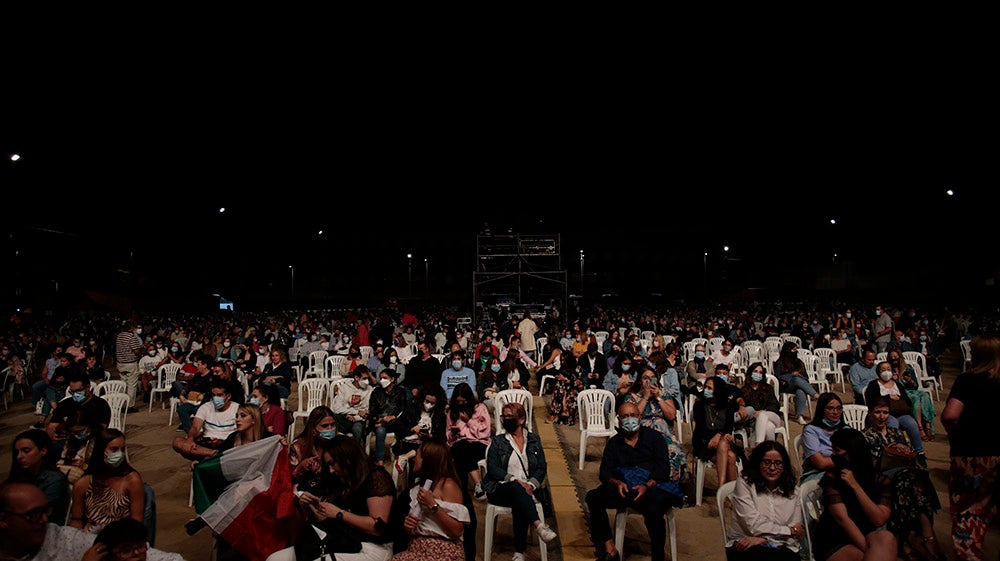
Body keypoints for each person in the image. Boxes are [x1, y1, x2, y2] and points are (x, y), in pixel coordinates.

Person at [585, 401, 679, 561]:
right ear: (619, 420)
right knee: (593, 497)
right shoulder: (614, 443)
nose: (630, 420)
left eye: (633, 416)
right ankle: (610, 549)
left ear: (640, 417)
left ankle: (658, 556)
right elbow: (604, 472)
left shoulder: (654, 438)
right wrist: (616, 483)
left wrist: (647, 486)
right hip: (624, 487)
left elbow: (663, 470)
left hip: (650, 487)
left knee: (654, 510)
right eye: (625, 417)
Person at [0, 481, 185, 561]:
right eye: (32, 514)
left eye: (45, 511)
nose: (43, 520)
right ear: (4, 519)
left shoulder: (63, 539)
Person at [280, 435, 396, 561]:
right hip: (342, 540)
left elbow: (377, 527)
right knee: (275, 559)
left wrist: (339, 514)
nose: (330, 470)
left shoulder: (376, 478)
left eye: (332, 464)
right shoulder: (340, 480)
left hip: (373, 546)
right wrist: (311, 508)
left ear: (346, 458)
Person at [940, 333, 1000, 561]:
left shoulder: (967, 380)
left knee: (968, 513)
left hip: (971, 454)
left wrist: (955, 434)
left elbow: (950, 415)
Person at [862, 397, 944, 561]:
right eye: (877, 412)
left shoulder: (896, 433)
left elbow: (910, 457)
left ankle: (909, 538)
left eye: (885, 413)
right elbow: (866, 465)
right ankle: (926, 534)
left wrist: (905, 450)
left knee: (914, 478)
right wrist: (888, 450)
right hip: (879, 477)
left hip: (903, 477)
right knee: (909, 480)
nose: (881, 416)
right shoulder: (865, 436)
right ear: (870, 413)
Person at [481, 401, 558, 558]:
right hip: (500, 488)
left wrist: (531, 484)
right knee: (517, 488)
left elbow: (541, 467)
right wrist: (514, 479)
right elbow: (493, 467)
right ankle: (539, 526)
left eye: (510, 416)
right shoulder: (498, 441)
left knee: (520, 497)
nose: (505, 419)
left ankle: (519, 552)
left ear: (521, 419)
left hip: (527, 489)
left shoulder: (534, 440)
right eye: (504, 416)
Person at [811, 427, 897, 561]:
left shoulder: (879, 480)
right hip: (835, 537)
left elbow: (879, 519)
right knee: (866, 556)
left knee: (887, 538)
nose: (833, 455)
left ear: (852, 453)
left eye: (837, 450)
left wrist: (855, 486)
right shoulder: (832, 478)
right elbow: (842, 519)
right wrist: (869, 550)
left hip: (867, 532)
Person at [390, 439, 470, 561]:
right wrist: (408, 525)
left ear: (428, 461)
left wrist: (432, 504)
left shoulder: (447, 485)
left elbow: (456, 531)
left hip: (443, 550)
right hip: (417, 547)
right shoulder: (416, 488)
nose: (414, 459)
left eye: (417, 456)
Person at [725, 440, 804, 561]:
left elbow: (796, 533)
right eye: (767, 462)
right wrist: (788, 531)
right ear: (758, 463)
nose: (772, 468)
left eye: (778, 463)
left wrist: (765, 539)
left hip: (781, 545)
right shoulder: (745, 483)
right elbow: (754, 525)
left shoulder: (794, 491)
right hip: (745, 543)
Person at [69, 428, 144, 533]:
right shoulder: (83, 484)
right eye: (114, 449)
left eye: (122, 449)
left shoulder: (132, 480)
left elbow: (137, 520)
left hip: (122, 536)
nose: (120, 454)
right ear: (101, 451)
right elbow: (77, 520)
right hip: (90, 537)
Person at [863, 361, 927, 469]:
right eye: (883, 369)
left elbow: (907, 400)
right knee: (893, 423)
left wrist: (900, 399)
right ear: (878, 372)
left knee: (911, 424)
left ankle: (920, 453)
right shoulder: (873, 385)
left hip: (901, 412)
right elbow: (871, 400)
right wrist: (888, 397)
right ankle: (892, 452)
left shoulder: (897, 384)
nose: (886, 372)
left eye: (888, 369)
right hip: (887, 413)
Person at [5, 429, 69, 526]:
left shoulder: (54, 480)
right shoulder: (19, 476)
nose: (19, 456)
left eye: (26, 451)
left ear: (43, 451)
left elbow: (42, 515)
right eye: (17, 452)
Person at [691, 376, 742, 490]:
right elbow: (701, 429)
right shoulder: (699, 406)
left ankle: (722, 487)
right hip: (704, 442)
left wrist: (718, 435)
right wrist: (717, 436)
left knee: (726, 448)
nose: (706, 390)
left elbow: (728, 429)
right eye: (706, 387)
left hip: (722, 441)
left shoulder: (727, 407)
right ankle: (731, 492)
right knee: (731, 457)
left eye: (710, 388)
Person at [170, 379, 239, 462]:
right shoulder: (206, 407)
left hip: (227, 443)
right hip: (207, 443)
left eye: (220, 395)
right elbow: (195, 427)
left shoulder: (237, 409)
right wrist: (190, 438)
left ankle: (207, 457)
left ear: (228, 396)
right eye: (214, 395)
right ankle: (214, 454)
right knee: (177, 442)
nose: (216, 398)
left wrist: (221, 441)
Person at [47, 373, 112, 458]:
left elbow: (101, 429)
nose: (75, 394)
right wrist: (52, 433)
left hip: (89, 440)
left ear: (88, 387)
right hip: (65, 440)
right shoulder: (65, 404)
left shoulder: (100, 405)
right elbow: (51, 426)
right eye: (72, 391)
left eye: (78, 391)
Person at [446, 383, 491, 500]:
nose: (461, 404)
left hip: (479, 443)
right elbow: (448, 434)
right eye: (458, 402)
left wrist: (469, 421)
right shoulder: (451, 411)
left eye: (464, 401)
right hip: (459, 442)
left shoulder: (480, 408)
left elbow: (485, 432)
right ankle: (478, 484)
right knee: (461, 448)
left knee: (463, 453)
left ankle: (462, 492)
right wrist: (453, 433)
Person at [393, 385, 448, 478]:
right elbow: (397, 427)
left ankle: (406, 457)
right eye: (427, 401)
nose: (429, 405)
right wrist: (412, 429)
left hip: (427, 445)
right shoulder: (411, 409)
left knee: (426, 456)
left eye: (432, 403)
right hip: (408, 443)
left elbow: (442, 438)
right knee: (417, 459)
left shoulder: (440, 416)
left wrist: (430, 436)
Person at [887, 349, 936, 441]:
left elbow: (916, 386)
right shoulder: (888, 369)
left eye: (896, 357)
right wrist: (894, 379)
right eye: (892, 357)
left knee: (925, 396)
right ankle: (920, 428)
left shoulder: (908, 368)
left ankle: (928, 427)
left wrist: (910, 380)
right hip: (900, 392)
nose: (894, 359)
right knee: (915, 398)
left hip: (911, 390)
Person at [801, 392, 848, 482]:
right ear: (822, 410)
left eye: (839, 408)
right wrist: (846, 459)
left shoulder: (846, 430)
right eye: (830, 408)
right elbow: (821, 463)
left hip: (844, 473)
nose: (835, 412)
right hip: (817, 474)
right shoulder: (811, 430)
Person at [368, 368, 410, 468]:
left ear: (392, 379)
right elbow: (372, 409)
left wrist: (393, 416)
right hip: (379, 420)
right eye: (381, 378)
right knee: (380, 431)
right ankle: (380, 461)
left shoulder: (400, 392)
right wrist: (381, 419)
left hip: (395, 421)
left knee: (397, 424)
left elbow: (403, 409)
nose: (382, 380)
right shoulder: (376, 392)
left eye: (384, 378)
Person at [735, 361, 783, 446]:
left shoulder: (768, 388)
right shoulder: (743, 390)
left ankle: (758, 445)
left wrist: (762, 411)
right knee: (769, 427)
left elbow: (775, 406)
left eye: (760, 372)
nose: (758, 374)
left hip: (772, 416)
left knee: (762, 415)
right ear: (750, 373)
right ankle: (768, 450)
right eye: (755, 371)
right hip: (755, 421)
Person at [289, 405, 338, 485]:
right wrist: (301, 467)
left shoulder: (341, 442)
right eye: (325, 426)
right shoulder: (298, 446)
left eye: (333, 425)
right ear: (313, 429)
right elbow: (288, 478)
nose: (330, 429)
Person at [773, 341, 817, 425]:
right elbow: (777, 376)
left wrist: (800, 376)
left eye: (796, 349)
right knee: (796, 379)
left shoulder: (799, 362)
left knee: (800, 390)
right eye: (794, 349)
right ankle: (815, 395)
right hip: (785, 385)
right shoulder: (780, 362)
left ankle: (800, 416)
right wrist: (791, 375)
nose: (795, 351)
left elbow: (806, 377)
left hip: (799, 384)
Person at [332, 365, 374, 446]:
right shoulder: (344, 388)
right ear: (356, 378)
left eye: (368, 379)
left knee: (357, 428)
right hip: (344, 417)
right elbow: (337, 408)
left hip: (359, 419)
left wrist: (356, 416)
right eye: (364, 378)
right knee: (331, 420)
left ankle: (357, 452)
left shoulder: (370, 389)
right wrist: (354, 412)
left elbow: (367, 410)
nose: (367, 381)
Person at [544, 345, 585, 426]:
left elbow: (580, 384)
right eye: (561, 360)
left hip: (574, 389)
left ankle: (563, 412)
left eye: (564, 360)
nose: (562, 362)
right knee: (559, 387)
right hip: (563, 390)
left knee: (565, 390)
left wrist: (567, 380)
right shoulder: (563, 368)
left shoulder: (577, 368)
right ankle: (557, 413)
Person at [115, 321, 145, 408]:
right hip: (130, 363)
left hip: (120, 363)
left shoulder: (119, 335)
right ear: (131, 328)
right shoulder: (131, 337)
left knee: (123, 383)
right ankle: (129, 405)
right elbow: (136, 351)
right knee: (132, 385)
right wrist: (142, 348)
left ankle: (121, 403)